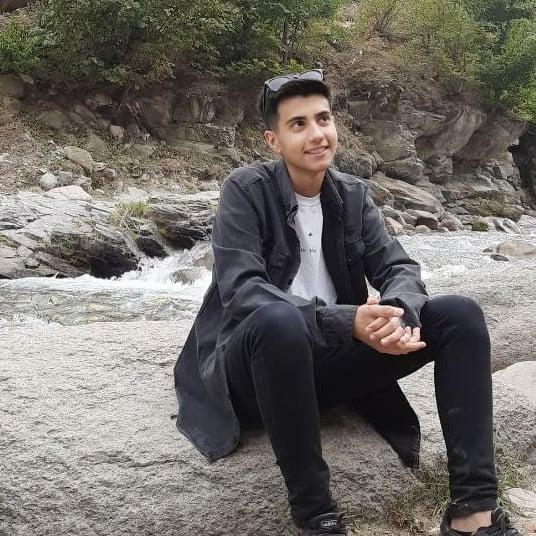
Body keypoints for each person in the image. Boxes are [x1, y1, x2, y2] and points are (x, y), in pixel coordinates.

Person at [173, 69, 522, 536]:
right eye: (298, 124)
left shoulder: (352, 195)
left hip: (324, 369)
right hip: (257, 371)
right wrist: (347, 322)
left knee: (460, 315)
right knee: (279, 320)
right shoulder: (246, 190)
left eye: (323, 119)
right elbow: (242, 290)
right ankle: (317, 518)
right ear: (273, 141)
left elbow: (399, 268)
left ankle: (472, 514)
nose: (317, 134)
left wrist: (395, 316)